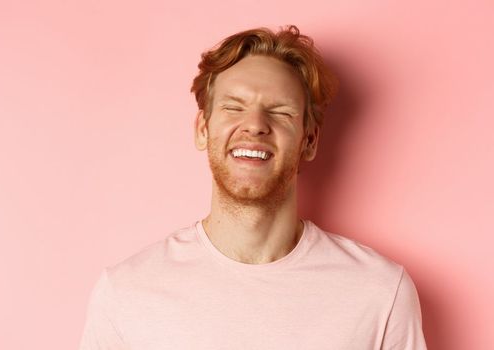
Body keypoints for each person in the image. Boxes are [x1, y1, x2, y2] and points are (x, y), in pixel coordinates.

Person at [78, 25, 427, 349]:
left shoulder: (379, 291)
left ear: (309, 140)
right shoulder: (126, 292)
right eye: (233, 107)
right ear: (203, 129)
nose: (255, 125)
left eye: (280, 112)